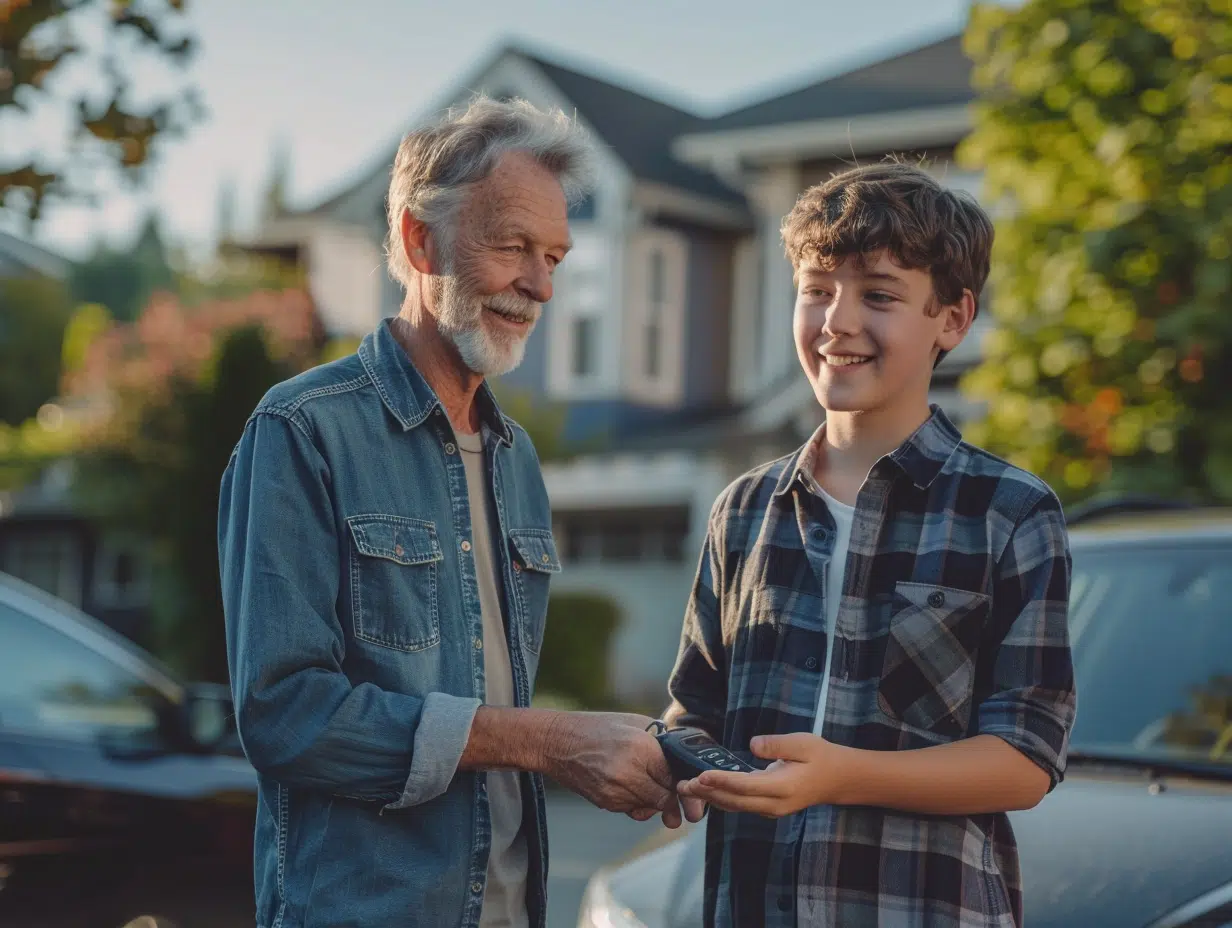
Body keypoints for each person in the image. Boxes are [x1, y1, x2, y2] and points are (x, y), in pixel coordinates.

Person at [217, 95, 688, 928]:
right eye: (512, 247)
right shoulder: (303, 430)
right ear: (417, 239)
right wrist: (550, 741)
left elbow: (491, 690)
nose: (540, 285)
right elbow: (283, 715)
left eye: (555, 255)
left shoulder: (520, 459)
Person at [666, 162, 1077, 927]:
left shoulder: (1011, 512)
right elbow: (695, 711)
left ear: (951, 320)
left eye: (879, 295)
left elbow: (1024, 759)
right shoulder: (743, 511)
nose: (836, 321)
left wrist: (840, 777)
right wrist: (673, 763)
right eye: (817, 287)